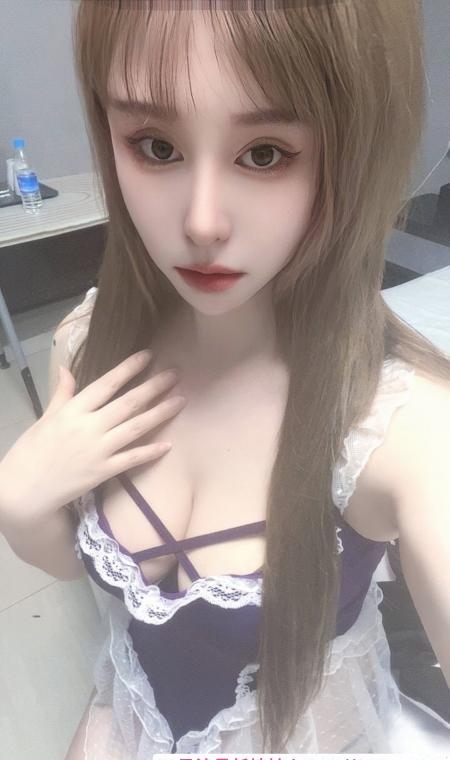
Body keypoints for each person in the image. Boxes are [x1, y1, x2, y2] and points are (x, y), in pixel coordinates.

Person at [0, 1, 449, 756]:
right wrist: (19, 502)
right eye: (156, 146)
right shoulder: (89, 340)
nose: (202, 222)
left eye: (265, 153)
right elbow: (71, 568)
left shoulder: (399, 426)